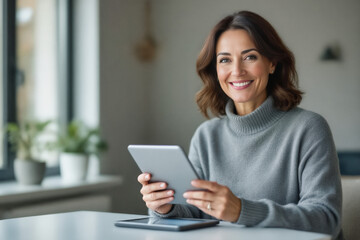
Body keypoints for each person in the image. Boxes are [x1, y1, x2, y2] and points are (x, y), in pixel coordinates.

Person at [137, 10, 343, 239]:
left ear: (272, 63)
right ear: (215, 70)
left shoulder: (309, 128)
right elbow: (195, 212)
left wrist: (243, 211)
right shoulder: (206, 136)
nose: (237, 71)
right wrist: (165, 208)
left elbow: (327, 220)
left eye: (250, 57)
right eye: (225, 60)